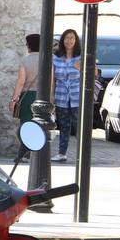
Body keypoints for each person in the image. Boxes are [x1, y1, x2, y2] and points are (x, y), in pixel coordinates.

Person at [52, 28, 83, 162]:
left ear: (76, 41)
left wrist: (81, 68)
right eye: (66, 38)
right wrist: (51, 96)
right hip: (61, 96)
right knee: (64, 126)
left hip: (77, 97)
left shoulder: (81, 57)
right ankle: (61, 153)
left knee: (79, 127)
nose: (69, 41)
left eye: (72, 38)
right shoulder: (56, 58)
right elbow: (52, 78)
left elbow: (95, 74)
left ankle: (82, 154)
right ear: (62, 40)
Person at [9, 33, 41, 123]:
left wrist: (13, 100)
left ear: (29, 45)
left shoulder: (25, 61)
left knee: (27, 127)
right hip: (43, 97)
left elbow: (21, 82)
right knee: (41, 127)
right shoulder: (48, 60)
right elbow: (51, 82)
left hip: (27, 97)